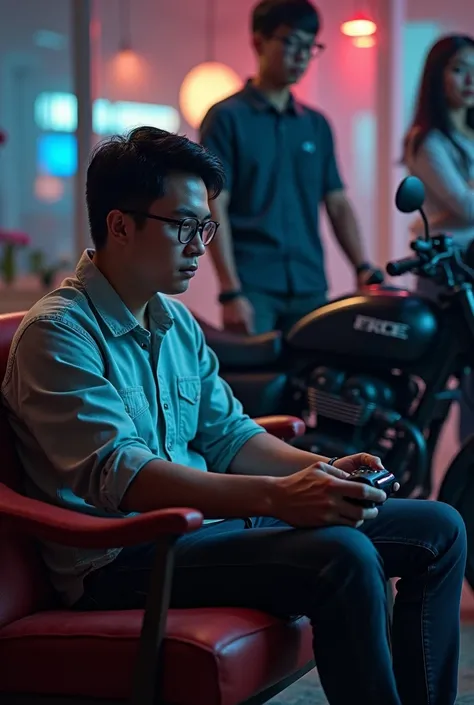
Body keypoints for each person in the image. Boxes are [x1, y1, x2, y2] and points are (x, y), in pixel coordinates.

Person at [1, 126, 466, 705]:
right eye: (184, 227)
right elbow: (124, 475)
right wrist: (275, 498)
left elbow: (229, 435)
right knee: (342, 555)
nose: (200, 246)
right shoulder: (58, 334)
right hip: (123, 555)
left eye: (205, 227)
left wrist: (323, 469)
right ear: (120, 225)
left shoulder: (174, 322)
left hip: (209, 530)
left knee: (440, 529)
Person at [200, 0, 381, 335]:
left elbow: (337, 202)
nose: (301, 56)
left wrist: (362, 266)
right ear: (258, 41)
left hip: (310, 285)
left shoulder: (316, 125)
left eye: (310, 47)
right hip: (254, 289)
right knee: (256, 386)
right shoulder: (226, 118)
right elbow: (215, 205)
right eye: (291, 43)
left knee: (316, 383)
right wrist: (230, 291)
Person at [403, 34, 474, 444]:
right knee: (434, 396)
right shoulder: (427, 140)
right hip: (444, 275)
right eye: (459, 69)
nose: (469, 80)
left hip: (470, 273)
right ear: (437, 77)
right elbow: (465, 206)